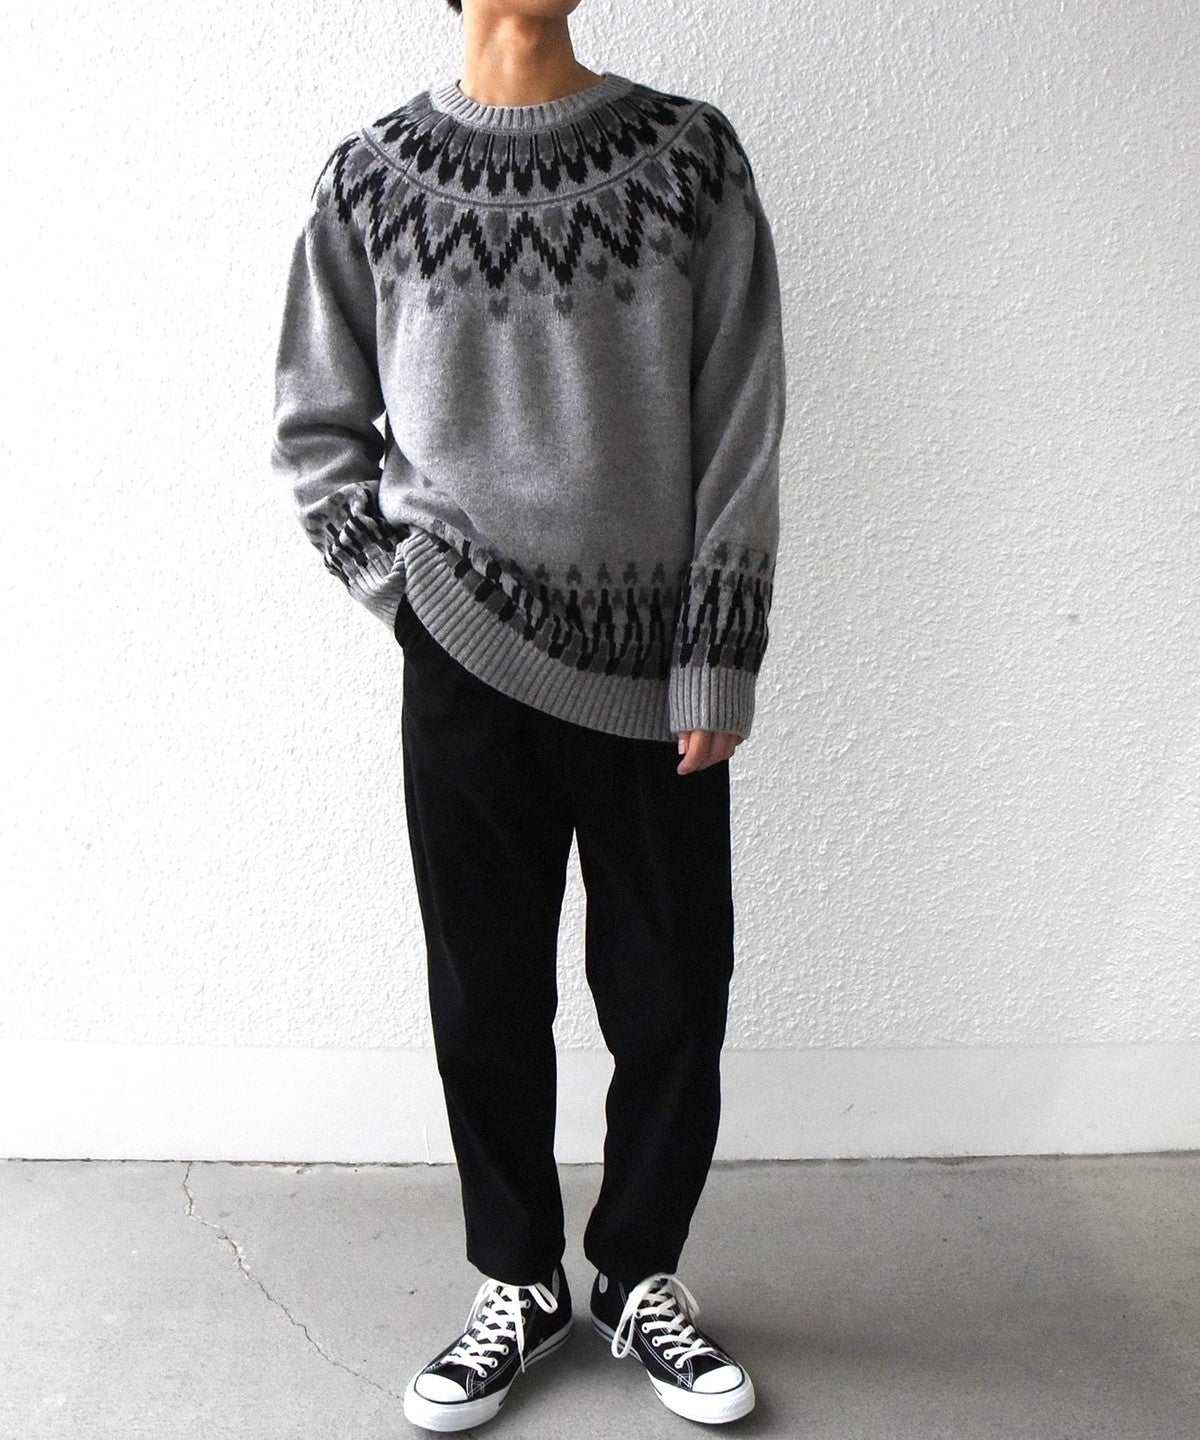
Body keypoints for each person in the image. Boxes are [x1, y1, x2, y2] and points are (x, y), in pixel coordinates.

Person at [270, 0, 786, 1429]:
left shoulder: (690, 158)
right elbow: (315, 429)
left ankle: (639, 1275)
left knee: (673, 993)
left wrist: (719, 652)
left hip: (653, 670)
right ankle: (518, 1279)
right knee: (484, 995)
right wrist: (407, 598)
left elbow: (741, 418)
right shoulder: (371, 177)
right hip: (461, 657)